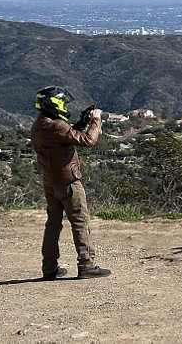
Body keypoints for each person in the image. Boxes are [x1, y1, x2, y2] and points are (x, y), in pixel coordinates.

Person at [30, 86, 111, 280]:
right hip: (68, 182)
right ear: (54, 104)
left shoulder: (39, 125)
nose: (65, 107)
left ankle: (49, 268)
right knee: (80, 222)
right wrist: (96, 120)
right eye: (63, 103)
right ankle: (87, 265)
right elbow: (88, 141)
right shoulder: (57, 125)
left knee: (53, 225)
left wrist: (81, 123)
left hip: (50, 182)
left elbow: (65, 136)